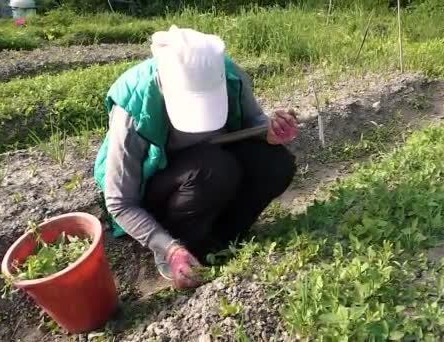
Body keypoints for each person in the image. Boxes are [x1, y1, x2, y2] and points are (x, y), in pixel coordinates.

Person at [93, 26, 300, 289]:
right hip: (160, 186)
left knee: (276, 163)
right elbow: (121, 201)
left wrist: (269, 131)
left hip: (209, 165)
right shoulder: (134, 105)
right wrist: (169, 249)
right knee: (214, 169)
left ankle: (224, 238)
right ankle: (185, 246)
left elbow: (254, 121)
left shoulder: (229, 75)